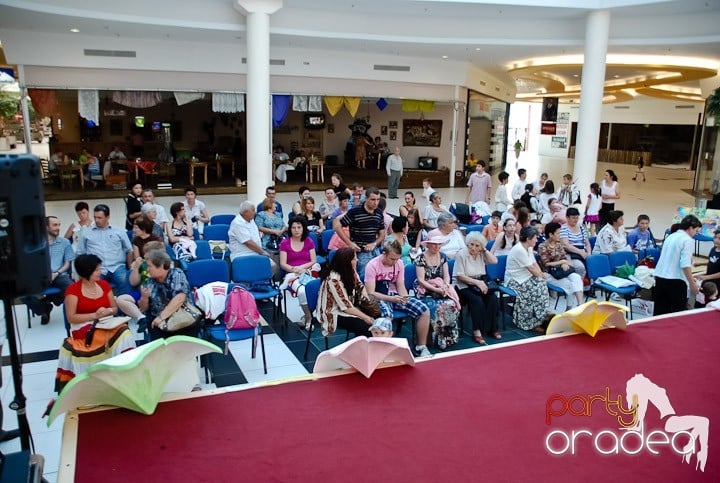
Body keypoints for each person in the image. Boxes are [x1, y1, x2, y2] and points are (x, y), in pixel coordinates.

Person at [55, 254, 136, 392]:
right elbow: (71, 318)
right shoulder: (73, 290)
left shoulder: (104, 286)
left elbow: (115, 308)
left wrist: (107, 311)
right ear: (86, 272)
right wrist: (94, 315)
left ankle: (126, 373)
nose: (101, 272)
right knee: (99, 334)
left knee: (125, 332)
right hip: (83, 325)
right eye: (97, 270)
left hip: (106, 321)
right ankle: (100, 379)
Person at [364, 241, 432, 357]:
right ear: (384, 254)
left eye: (397, 259)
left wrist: (404, 297)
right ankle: (385, 350)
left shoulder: (399, 263)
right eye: (392, 259)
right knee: (387, 317)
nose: (395, 262)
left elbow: (400, 285)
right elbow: (371, 293)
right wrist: (391, 299)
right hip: (380, 297)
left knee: (424, 310)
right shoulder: (372, 265)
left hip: (395, 295)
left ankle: (421, 346)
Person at [414, 234, 461, 350]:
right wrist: (436, 290)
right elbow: (420, 280)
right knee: (437, 306)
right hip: (425, 289)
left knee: (451, 304)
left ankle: (446, 337)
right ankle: (437, 338)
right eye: (434, 244)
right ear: (428, 244)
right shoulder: (420, 258)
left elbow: (446, 276)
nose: (437, 246)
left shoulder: (443, 257)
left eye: (439, 244)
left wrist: (445, 287)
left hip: (440, 287)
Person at [138, 249, 197, 340]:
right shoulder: (149, 282)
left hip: (182, 319)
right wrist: (144, 298)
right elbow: (143, 309)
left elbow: (179, 298)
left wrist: (161, 317)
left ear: (161, 266)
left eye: (150, 266)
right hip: (159, 324)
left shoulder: (176, 274)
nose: (147, 269)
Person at [316, 247, 374, 338]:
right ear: (347, 262)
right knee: (365, 326)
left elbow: (360, 285)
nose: (357, 260)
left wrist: (367, 301)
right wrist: (365, 317)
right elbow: (346, 307)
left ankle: (363, 344)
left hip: (350, 305)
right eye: (354, 258)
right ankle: (362, 348)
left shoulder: (351, 270)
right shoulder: (333, 279)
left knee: (376, 315)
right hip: (334, 311)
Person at [26, 216, 75, 325]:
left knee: (72, 288)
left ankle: (48, 300)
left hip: (59, 274)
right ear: (46, 227)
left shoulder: (64, 242)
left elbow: (68, 263)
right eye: (55, 225)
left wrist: (56, 273)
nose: (58, 228)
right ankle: (43, 308)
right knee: (22, 294)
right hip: (39, 276)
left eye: (59, 225)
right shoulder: (35, 243)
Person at [453, 231, 500, 344]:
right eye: (471, 244)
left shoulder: (481, 253)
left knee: (493, 299)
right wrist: (477, 283)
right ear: (468, 244)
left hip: (481, 283)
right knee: (477, 301)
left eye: (477, 245)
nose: (473, 248)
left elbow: (494, 261)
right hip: (464, 285)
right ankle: (477, 331)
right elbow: (460, 276)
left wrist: (484, 250)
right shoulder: (461, 254)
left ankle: (492, 329)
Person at [79, 204, 133, 295]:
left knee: (126, 281)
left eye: (100, 218)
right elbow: (80, 253)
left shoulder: (119, 231)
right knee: (93, 286)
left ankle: (121, 305)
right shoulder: (86, 232)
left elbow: (129, 250)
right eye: (95, 217)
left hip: (117, 267)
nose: (96, 220)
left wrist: (130, 267)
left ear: (107, 217)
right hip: (96, 268)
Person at [653, 214, 702, 316]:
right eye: (696, 231)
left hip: (660, 277)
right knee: (676, 314)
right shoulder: (687, 240)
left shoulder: (671, 236)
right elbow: (685, 264)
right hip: (675, 281)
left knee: (660, 313)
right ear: (690, 228)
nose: (695, 234)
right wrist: (692, 284)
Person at [505, 226, 550, 333]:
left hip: (526, 277)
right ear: (528, 238)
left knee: (541, 285)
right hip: (515, 280)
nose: (537, 240)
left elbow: (534, 263)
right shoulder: (519, 249)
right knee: (535, 290)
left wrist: (541, 275)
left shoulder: (528, 247)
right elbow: (531, 268)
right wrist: (539, 276)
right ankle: (527, 322)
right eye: (535, 238)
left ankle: (540, 317)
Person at [333, 187, 385, 280]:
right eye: (373, 199)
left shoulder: (379, 213)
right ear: (366, 199)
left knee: (378, 276)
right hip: (360, 252)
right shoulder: (355, 211)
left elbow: (382, 233)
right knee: (364, 278)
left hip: (374, 250)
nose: (376, 202)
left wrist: (375, 243)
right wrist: (349, 243)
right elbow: (337, 226)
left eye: (378, 199)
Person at [279, 217, 319, 326]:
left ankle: (309, 314)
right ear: (290, 229)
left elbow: (313, 260)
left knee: (317, 289)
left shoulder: (309, 241)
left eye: (299, 227)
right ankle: (308, 317)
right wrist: (295, 269)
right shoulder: (284, 243)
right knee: (302, 291)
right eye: (293, 227)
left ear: (303, 228)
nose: (296, 230)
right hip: (292, 274)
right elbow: (283, 264)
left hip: (308, 271)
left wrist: (302, 268)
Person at [538, 222, 584, 308]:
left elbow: (564, 257)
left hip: (561, 271)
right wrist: (562, 262)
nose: (560, 235)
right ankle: (569, 308)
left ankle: (580, 305)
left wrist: (565, 263)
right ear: (551, 234)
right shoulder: (542, 246)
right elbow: (546, 263)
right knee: (569, 285)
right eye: (558, 233)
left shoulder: (559, 245)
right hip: (549, 273)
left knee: (576, 278)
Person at [229, 201, 276, 267]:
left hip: (255, 253)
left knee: (273, 266)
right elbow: (248, 242)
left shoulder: (251, 220)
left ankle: (267, 277)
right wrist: (263, 252)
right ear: (245, 212)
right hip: (243, 255)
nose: (255, 212)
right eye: (253, 210)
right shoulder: (237, 223)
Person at [559, 207, 591, 277]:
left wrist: (589, 253)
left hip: (583, 252)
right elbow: (566, 245)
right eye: (573, 218)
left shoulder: (581, 228)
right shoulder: (563, 228)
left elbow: (587, 243)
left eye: (577, 218)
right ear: (567, 218)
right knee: (580, 267)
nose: (575, 220)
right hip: (571, 254)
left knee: (593, 263)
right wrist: (580, 252)